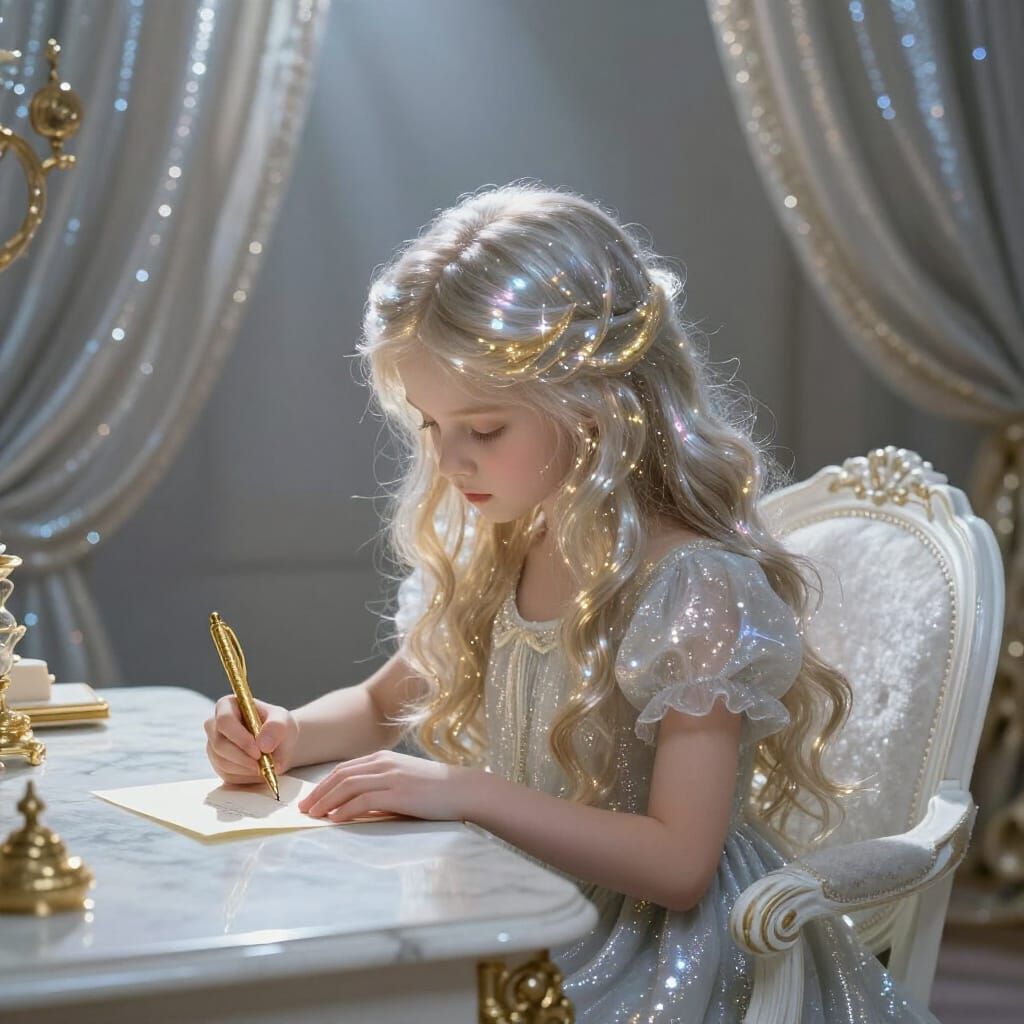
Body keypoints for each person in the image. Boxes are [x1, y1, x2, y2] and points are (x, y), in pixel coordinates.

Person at [204, 182, 940, 1022]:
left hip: (658, 948)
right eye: (430, 425)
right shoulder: (504, 548)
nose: (450, 462)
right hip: (520, 897)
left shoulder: (692, 587)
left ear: (598, 408)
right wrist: (288, 730)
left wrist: (465, 791)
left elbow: (678, 864)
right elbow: (379, 704)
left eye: (483, 430)